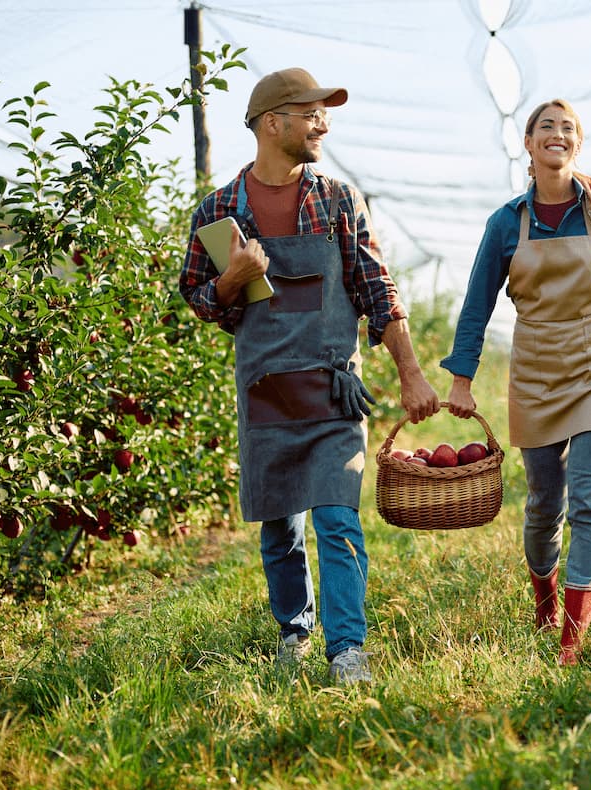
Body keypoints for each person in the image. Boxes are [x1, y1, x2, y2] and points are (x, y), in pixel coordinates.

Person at [179, 67, 440, 684]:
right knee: (280, 527)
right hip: (266, 389)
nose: (323, 122)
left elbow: (378, 289)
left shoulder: (337, 200)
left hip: (330, 387)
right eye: (311, 111)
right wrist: (233, 278)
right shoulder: (219, 212)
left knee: (337, 520)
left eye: (327, 112)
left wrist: (411, 374)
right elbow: (201, 300)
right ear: (273, 123)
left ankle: (348, 648)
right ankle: (294, 629)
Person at [442, 98, 591, 666]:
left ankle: (571, 641)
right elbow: (476, 308)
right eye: (547, 126)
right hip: (537, 368)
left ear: (578, 145)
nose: (558, 134)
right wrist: (462, 381)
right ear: (528, 143)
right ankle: (545, 603)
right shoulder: (505, 223)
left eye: (568, 128)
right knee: (546, 502)